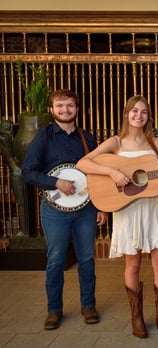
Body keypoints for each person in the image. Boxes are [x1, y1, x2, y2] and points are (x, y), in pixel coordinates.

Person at [76, 95, 158, 338]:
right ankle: (136, 318)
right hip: (128, 209)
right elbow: (83, 163)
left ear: (149, 117)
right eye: (134, 111)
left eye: (144, 112)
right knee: (132, 264)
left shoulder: (156, 143)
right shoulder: (116, 142)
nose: (139, 115)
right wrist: (112, 171)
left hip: (154, 208)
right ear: (127, 114)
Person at [21, 89, 108, 330]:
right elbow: (28, 171)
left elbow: (97, 173)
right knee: (56, 260)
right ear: (51, 110)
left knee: (87, 259)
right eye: (60, 106)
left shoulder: (87, 138)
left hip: (86, 209)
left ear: (77, 109)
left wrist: (100, 206)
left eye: (69, 105)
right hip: (54, 209)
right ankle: (54, 310)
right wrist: (56, 182)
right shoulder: (44, 137)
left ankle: (88, 305)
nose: (65, 110)